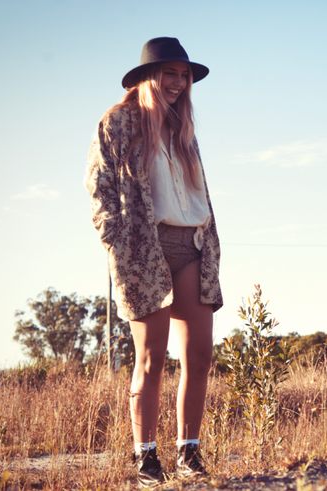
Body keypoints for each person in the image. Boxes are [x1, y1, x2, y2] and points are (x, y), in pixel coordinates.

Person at [84, 37, 222, 486]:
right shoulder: (118, 122)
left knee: (199, 356)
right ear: (149, 76)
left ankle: (189, 454)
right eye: (170, 74)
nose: (179, 83)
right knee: (151, 359)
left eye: (184, 76)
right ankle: (145, 459)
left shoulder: (184, 127)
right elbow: (99, 189)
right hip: (145, 249)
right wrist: (117, 245)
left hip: (193, 244)